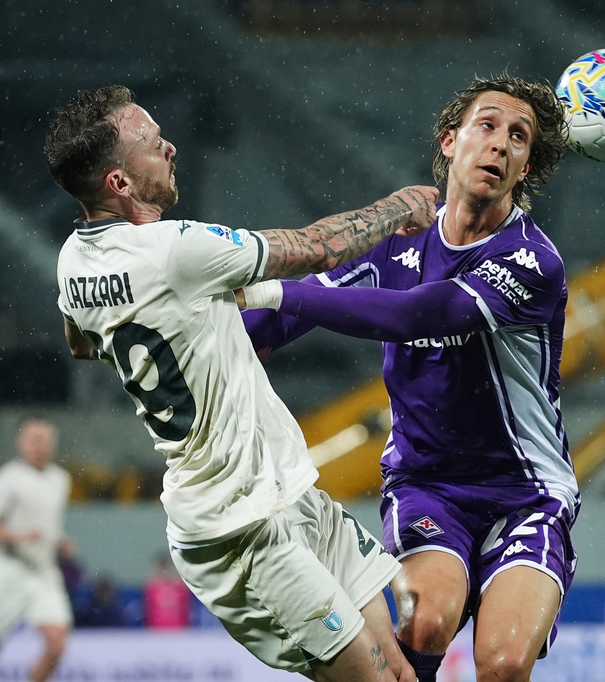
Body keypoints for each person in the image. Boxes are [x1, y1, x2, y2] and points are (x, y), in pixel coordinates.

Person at [45, 84, 439, 682]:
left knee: (403, 670)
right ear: (119, 182)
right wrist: (397, 207)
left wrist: (183, 327)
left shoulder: (73, 260)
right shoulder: (174, 250)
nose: (170, 148)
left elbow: (82, 341)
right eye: (152, 142)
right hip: (238, 528)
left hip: (291, 491)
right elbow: (316, 248)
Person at [240, 73, 578, 682]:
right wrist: (200, 341)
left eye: (519, 137)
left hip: (525, 492)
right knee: (425, 623)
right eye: (487, 125)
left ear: (526, 167)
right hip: (428, 483)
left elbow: (417, 314)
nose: (500, 144)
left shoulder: (531, 260)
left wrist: (271, 288)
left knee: (502, 664)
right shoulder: (400, 241)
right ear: (450, 141)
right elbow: (280, 323)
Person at [0, 418, 73, 682]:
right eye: (34, 439)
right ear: (21, 443)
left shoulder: (60, 479)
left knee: (57, 644)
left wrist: (59, 541)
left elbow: (47, 526)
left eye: (45, 440)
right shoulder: (6, 479)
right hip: (8, 570)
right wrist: (19, 536)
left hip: (43, 572)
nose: (40, 446)